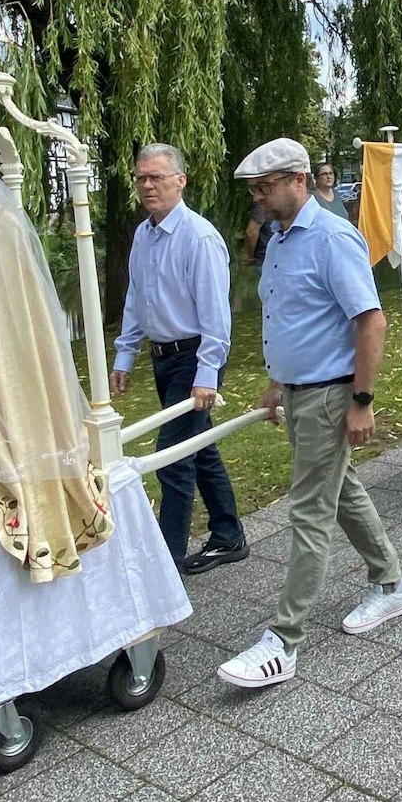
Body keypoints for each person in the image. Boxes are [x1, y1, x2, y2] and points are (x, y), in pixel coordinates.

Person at [219, 136, 402, 688]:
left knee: (308, 511)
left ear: (299, 180)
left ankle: (283, 640)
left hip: (332, 396)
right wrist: (277, 381)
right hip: (302, 392)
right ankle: (392, 584)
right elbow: (293, 316)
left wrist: (361, 402)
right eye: (254, 189)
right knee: (341, 490)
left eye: (267, 186)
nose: (259, 197)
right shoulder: (279, 239)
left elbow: (370, 321)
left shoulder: (330, 237)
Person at [111, 143, 244, 573]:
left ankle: (165, 566)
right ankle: (228, 535)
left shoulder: (199, 238)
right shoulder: (143, 235)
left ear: (180, 181)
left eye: (157, 177)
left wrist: (207, 374)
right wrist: (125, 356)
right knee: (199, 447)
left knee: (173, 460)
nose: (148, 186)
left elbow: (216, 316)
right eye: (141, 178)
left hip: (195, 358)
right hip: (163, 358)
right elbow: (136, 299)